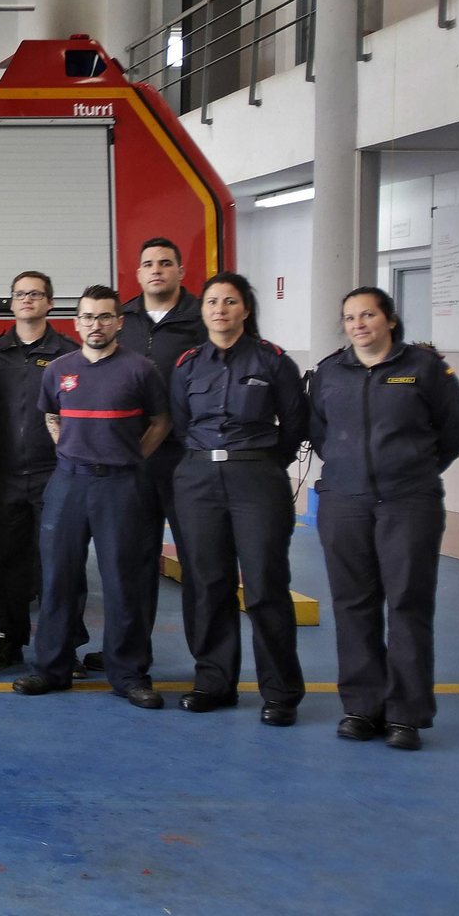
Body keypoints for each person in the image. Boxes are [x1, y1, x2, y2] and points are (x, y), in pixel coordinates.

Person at [311, 287, 459, 751]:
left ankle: (406, 715)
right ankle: (362, 708)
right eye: (350, 317)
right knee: (353, 604)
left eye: (368, 314)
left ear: (390, 319)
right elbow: (318, 430)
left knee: (407, 604)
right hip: (345, 502)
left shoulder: (425, 368)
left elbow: (456, 432)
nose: (359, 324)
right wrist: (350, 471)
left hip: (408, 503)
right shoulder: (329, 372)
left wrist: (412, 469)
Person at [13, 285, 171, 709]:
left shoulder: (141, 369)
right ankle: (51, 668)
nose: (94, 325)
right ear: (76, 322)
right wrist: (68, 447)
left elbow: (161, 421)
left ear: (119, 322)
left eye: (104, 317)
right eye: (87, 317)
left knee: (124, 582)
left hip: (121, 485)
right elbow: (51, 413)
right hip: (67, 482)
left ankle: (128, 674)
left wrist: (130, 457)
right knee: (57, 578)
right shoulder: (59, 369)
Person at [170, 272, 308, 725]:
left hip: (256, 476)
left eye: (229, 302)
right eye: (212, 302)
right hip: (198, 477)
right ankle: (214, 682)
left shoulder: (273, 361)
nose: (220, 310)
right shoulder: (189, 363)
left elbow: (294, 424)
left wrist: (263, 463)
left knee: (266, 583)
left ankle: (280, 692)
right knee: (207, 583)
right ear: (203, 309)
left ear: (245, 310)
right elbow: (179, 420)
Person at [111, 237, 207, 673]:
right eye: (148, 263)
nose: (156, 271)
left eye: (165, 264)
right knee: (133, 561)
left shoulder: (201, 319)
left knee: (198, 563)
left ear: (181, 272)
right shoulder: (123, 319)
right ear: (138, 272)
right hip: (135, 458)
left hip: (188, 459)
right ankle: (129, 656)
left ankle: (208, 664)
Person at [0, 270, 79, 672]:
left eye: (36, 294)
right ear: (12, 301)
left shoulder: (70, 355)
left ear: (50, 303)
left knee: (58, 562)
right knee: (5, 562)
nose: (27, 300)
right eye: (20, 294)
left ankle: (63, 647)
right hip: (2, 474)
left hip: (55, 472)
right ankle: (6, 642)